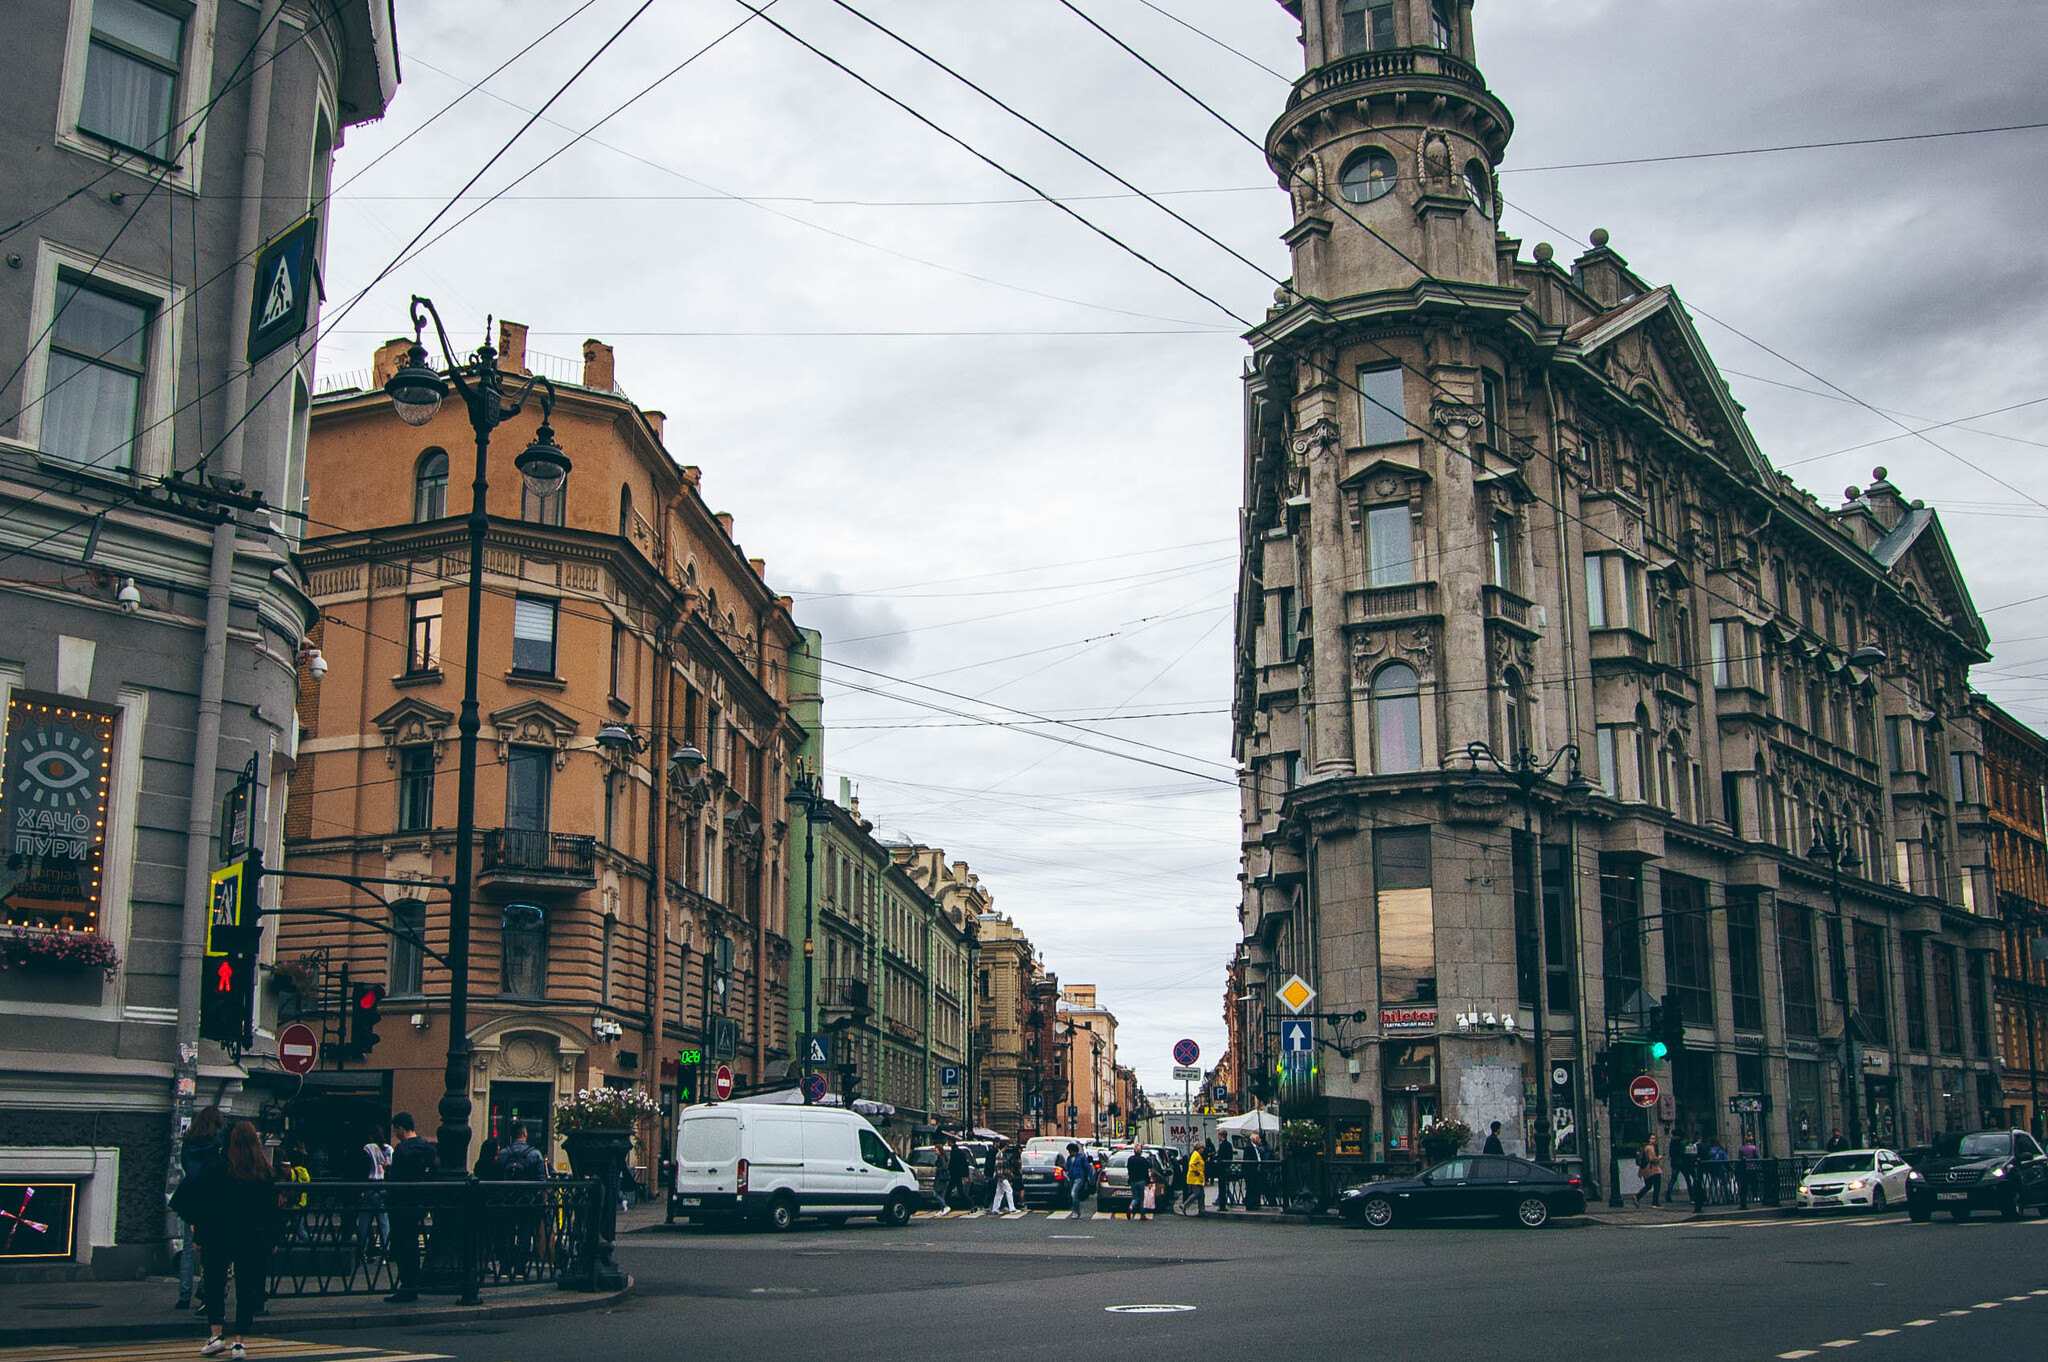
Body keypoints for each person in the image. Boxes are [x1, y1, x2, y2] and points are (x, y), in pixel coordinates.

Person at [190, 1121, 279, 1358]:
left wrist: (199, 1235)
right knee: (247, 1288)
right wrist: (272, 1239)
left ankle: (216, 1336)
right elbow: (271, 1211)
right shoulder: (264, 1171)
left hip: (219, 1236)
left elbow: (204, 1205)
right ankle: (239, 1342)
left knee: (215, 1286)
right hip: (253, 1237)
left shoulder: (216, 1167)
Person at [173, 1106, 226, 1311]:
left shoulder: (189, 1142)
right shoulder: (218, 1142)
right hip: (211, 1197)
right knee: (211, 1245)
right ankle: (207, 1292)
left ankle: (183, 1296)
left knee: (188, 1247)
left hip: (190, 1197)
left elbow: (186, 1167)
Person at [383, 1113, 439, 1304]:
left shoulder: (401, 1150)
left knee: (401, 1245)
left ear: (401, 1128)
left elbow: (396, 1179)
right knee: (412, 1244)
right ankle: (413, 1284)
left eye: (395, 1129)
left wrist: (388, 1171)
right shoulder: (427, 1147)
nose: (395, 1133)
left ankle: (406, 1286)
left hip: (401, 1203)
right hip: (418, 1203)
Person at [356, 1125, 392, 1259]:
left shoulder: (368, 1148)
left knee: (364, 1220)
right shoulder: (388, 1149)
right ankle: (385, 1250)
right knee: (383, 1220)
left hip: (369, 1185)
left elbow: (363, 1167)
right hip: (383, 1185)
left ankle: (362, 1251)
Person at [1063, 1142, 1093, 1217]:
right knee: (1074, 1195)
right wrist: (1066, 1172)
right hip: (1071, 1177)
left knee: (1073, 1193)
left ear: (1074, 1151)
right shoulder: (1069, 1158)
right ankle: (1077, 1211)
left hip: (1079, 1177)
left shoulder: (1081, 1157)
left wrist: (1091, 1177)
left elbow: (1087, 1167)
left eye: (1070, 1151)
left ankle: (1076, 1211)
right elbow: (1067, 1167)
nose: (1069, 1153)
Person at [1634, 1134, 1663, 1208]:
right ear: (1649, 1140)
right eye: (1652, 1138)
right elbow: (1652, 1159)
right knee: (1657, 1185)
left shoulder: (1644, 1147)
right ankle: (1655, 1202)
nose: (1654, 1140)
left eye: (1654, 1138)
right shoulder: (1650, 1148)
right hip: (1653, 1169)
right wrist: (1659, 1158)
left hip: (1645, 1170)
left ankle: (1637, 1197)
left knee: (1648, 1186)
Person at [990, 1146, 1019, 1215]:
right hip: (1002, 1177)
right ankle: (1012, 1208)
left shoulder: (1001, 1155)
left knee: (999, 1192)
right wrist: (1001, 1177)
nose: (1005, 1149)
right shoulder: (999, 1155)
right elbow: (998, 1167)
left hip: (1001, 1177)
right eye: (1005, 1147)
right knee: (1009, 1190)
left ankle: (995, 1208)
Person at [1182, 1144, 1206, 1216]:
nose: (1203, 1150)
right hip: (1195, 1178)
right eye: (1202, 1148)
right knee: (1197, 1193)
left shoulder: (1197, 1155)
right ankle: (1185, 1205)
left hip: (1198, 1178)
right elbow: (1191, 1164)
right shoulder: (1195, 1155)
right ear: (1199, 1149)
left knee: (1202, 1194)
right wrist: (1197, 1172)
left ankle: (1201, 1210)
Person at [948, 1139, 973, 1211]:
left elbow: (963, 1164)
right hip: (956, 1174)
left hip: (955, 1174)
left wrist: (965, 1175)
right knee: (959, 1191)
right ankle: (970, 1203)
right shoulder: (956, 1151)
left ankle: (970, 1203)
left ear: (950, 1142)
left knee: (952, 1190)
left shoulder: (956, 1151)